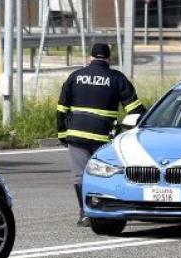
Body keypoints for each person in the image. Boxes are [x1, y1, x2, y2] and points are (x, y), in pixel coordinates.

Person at [57, 43, 146, 227]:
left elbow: (61, 109)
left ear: (90, 58)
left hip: (76, 135)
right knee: (106, 174)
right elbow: (134, 110)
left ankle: (85, 214)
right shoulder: (116, 78)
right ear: (109, 59)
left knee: (80, 176)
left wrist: (62, 134)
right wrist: (145, 124)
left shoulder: (75, 76)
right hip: (102, 138)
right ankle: (109, 210)